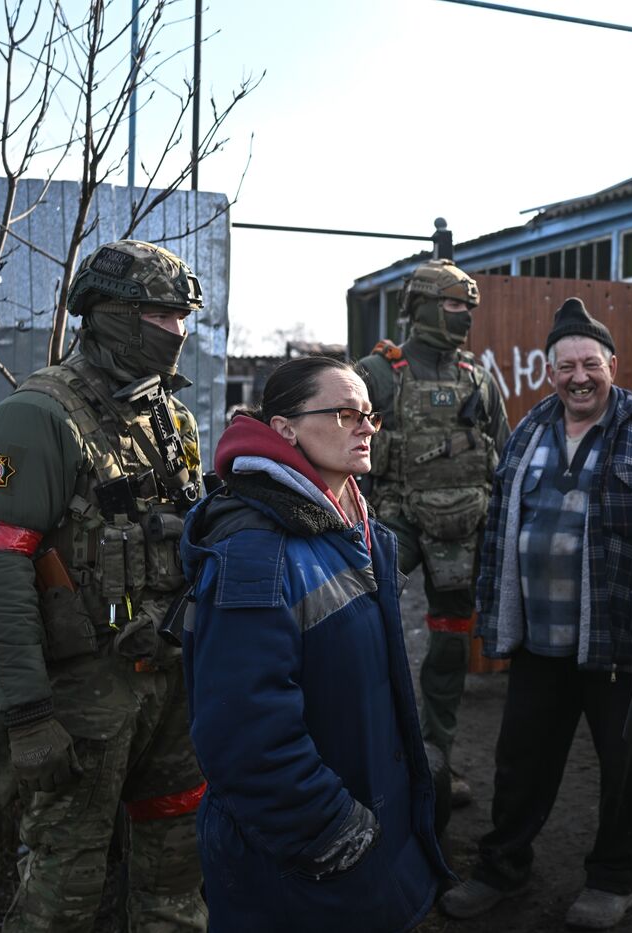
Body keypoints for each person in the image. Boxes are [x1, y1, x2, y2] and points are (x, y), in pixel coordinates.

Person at [0, 239, 208, 932]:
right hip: (82, 703)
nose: (178, 330)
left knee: (175, 876)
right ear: (106, 314)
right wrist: (27, 716)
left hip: (168, 687)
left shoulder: (168, 416)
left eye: (182, 313)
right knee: (63, 892)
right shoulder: (34, 417)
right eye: (160, 312)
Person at [439, 298, 632, 930]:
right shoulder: (528, 429)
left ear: (612, 363)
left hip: (619, 642)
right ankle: (502, 867)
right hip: (538, 640)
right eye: (564, 367)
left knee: (622, 768)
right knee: (519, 762)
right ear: (548, 373)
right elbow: (499, 527)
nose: (578, 377)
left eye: (589, 363)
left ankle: (613, 878)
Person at [179, 356, 451, 931]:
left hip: (363, 850)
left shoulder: (353, 525)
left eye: (370, 414)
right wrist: (331, 831)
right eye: (346, 413)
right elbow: (243, 734)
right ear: (285, 429)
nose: (367, 427)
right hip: (301, 870)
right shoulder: (255, 552)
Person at [356, 258, 509, 820]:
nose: (464, 315)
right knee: (367, 634)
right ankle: (374, 757)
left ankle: (437, 756)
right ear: (420, 306)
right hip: (393, 521)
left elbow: (504, 456)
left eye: (469, 306)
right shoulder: (376, 374)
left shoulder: (478, 379)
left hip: (463, 530)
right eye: (452, 304)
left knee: (447, 648)